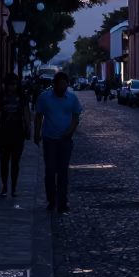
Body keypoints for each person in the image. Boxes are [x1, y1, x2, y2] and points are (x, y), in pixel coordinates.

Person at [34, 71, 82, 213]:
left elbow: (76, 116)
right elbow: (38, 116)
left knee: (62, 172)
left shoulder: (72, 98)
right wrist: (36, 134)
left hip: (65, 140)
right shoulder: (45, 97)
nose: (63, 87)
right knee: (50, 171)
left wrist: (71, 130)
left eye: (65, 84)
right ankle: (51, 199)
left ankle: (62, 201)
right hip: (49, 139)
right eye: (60, 84)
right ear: (54, 84)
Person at [0, 72, 32, 198]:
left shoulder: (22, 97)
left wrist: (28, 128)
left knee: (15, 162)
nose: (12, 87)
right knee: (4, 162)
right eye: (10, 84)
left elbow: (26, 113)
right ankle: (4, 187)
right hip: (3, 132)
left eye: (14, 84)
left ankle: (13, 188)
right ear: (5, 85)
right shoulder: (0, 97)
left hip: (18, 133)